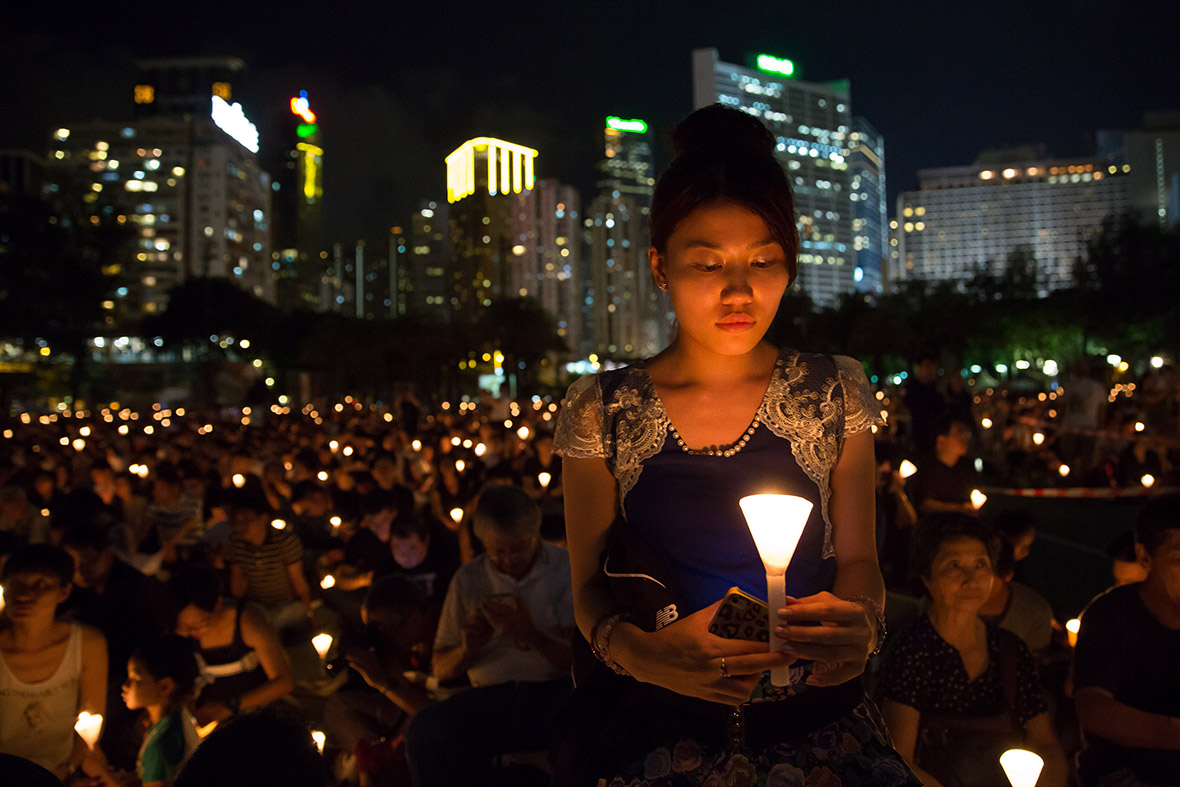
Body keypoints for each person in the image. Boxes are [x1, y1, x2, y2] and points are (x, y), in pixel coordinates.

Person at [554, 105, 916, 785]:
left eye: (764, 261)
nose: (739, 290)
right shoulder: (602, 409)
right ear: (659, 266)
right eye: (707, 262)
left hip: (820, 728)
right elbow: (585, 591)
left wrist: (860, 624)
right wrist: (644, 655)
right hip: (662, 733)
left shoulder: (834, 392)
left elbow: (862, 562)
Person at [405, 485, 575, 786]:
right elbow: (441, 669)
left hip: (554, 694)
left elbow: (583, 660)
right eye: (497, 551)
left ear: (535, 533)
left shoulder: (564, 568)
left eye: (519, 549)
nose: (508, 561)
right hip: (490, 697)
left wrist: (531, 635)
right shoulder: (469, 580)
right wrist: (467, 649)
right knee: (425, 729)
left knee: (587, 726)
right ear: (482, 541)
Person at [879, 513, 1067, 786]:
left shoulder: (1010, 650)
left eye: (981, 564)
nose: (971, 579)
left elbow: (1047, 745)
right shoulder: (912, 652)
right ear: (927, 578)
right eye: (954, 565)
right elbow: (901, 760)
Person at [1072, 495, 1180, 786]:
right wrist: (1171, 732)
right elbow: (1093, 706)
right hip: (1126, 771)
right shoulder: (1110, 616)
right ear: (1145, 556)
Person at [0, 544, 108, 779]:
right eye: (15, 583)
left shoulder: (87, 645)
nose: (24, 594)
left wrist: (66, 771)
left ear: (64, 592)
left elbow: (91, 721)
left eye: (41, 585)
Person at [170, 564, 294, 727]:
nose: (186, 633)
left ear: (218, 604)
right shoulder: (181, 633)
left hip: (257, 712)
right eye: (181, 628)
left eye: (199, 625)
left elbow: (284, 682)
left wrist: (227, 708)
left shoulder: (247, 621)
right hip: (209, 716)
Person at [82, 634, 202, 787]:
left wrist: (102, 773)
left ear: (164, 686)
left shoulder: (161, 744)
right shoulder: (177, 716)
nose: (125, 685)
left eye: (135, 678)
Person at [908, 416, 978, 515]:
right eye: (959, 434)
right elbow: (925, 504)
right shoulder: (927, 468)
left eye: (966, 434)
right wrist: (958, 508)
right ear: (941, 440)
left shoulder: (967, 467)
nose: (964, 439)